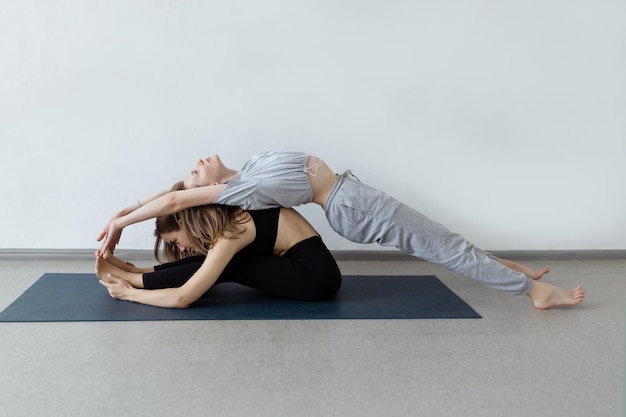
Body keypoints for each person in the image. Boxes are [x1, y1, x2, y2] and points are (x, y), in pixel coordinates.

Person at [97, 151, 585, 309]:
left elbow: (169, 196)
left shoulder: (243, 175)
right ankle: (534, 290)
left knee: (444, 243)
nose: (197, 165)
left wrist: (126, 209)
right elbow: (176, 199)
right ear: (204, 192)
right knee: (443, 246)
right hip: (350, 205)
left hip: (352, 196)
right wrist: (120, 222)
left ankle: (509, 270)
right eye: (194, 173)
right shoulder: (235, 195)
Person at [96, 204, 342, 308]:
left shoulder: (233, 230)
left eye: (175, 241)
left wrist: (130, 293)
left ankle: (135, 279)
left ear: (185, 222)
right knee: (218, 261)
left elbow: (183, 298)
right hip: (303, 267)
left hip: (316, 278)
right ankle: (139, 273)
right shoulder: (231, 215)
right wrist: (140, 271)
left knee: (228, 265)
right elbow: (171, 197)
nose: (180, 248)